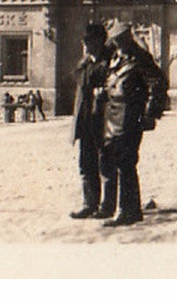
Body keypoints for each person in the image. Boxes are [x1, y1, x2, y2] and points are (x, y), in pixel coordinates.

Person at [97, 20, 168, 227]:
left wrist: (150, 113)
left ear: (128, 38)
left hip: (130, 116)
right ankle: (121, 208)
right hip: (112, 116)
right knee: (113, 162)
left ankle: (127, 211)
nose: (118, 44)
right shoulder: (118, 57)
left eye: (120, 40)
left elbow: (159, 84)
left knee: (126, 163)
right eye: (116, 41)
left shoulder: (140, 58)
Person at [69, 22, 109, 219]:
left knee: (106, 164)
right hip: (85, 122)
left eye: (89, 40)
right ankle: (89, 204)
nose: (84, 44)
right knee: (86, 164)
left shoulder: (109, 63)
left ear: (100, 41)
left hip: (103, 122)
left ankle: (107, 206)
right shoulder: (85, 63)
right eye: (84, 40)